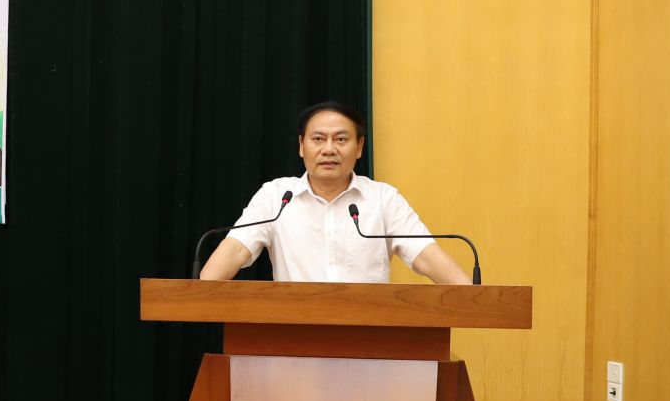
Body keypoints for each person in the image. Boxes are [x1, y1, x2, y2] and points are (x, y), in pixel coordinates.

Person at [197, 101, 469, 284]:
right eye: (318, 139)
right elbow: (234, 252)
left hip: (370, 340)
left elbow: (426, 257)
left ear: (359, 147)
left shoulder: (383, 199)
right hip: (293, 339)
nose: (329, 149)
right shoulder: (276, 197)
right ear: (301, 146)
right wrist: (202, 289)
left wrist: (471, 295)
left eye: (341, 139)